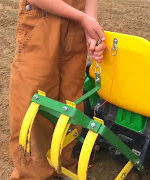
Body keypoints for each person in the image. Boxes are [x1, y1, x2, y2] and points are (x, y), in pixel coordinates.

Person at [9, 0, 106, 179]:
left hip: (76, 27)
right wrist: (83, 18)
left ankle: (63, 164)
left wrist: (91, 31)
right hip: (43, 22)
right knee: (35, 100)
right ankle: (32, 172)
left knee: (71, 100)